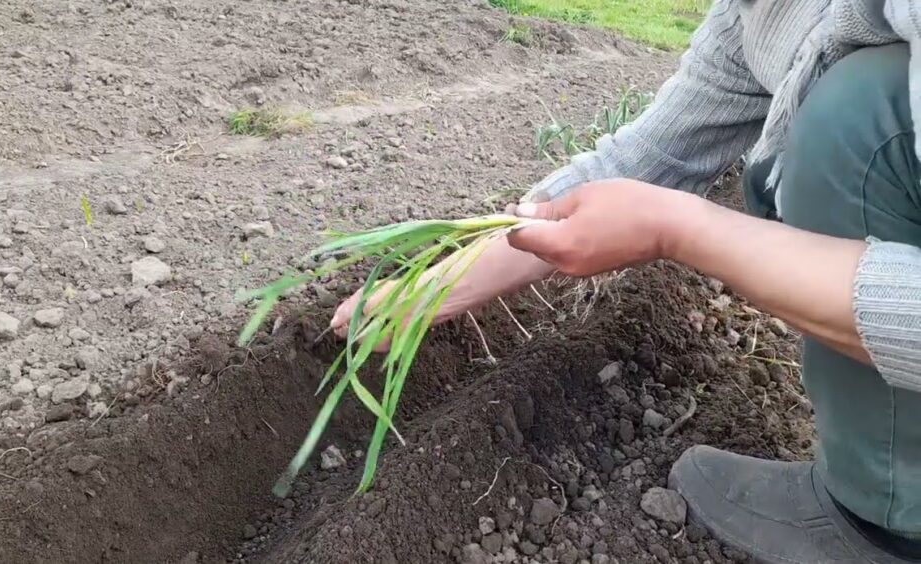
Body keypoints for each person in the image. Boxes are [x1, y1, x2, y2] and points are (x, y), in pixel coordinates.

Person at [332, 1, 921, 562]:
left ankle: (892, 524)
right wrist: (444, 283)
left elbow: (660, 204)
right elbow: (650, 156)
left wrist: (678, 228)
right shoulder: (752, 16)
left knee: (852, 115)